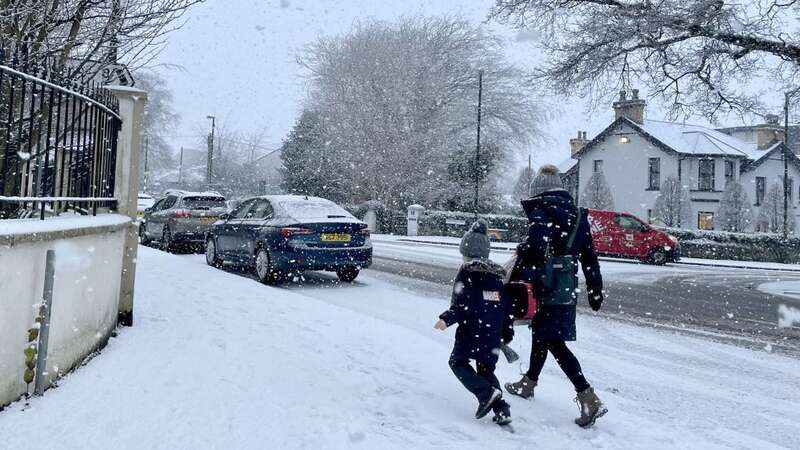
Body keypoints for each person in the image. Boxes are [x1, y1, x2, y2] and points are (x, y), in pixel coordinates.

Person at [504, 164, 607, 428]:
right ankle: (529, 383)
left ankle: (587, 395)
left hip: (544, 285)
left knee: (553, 342)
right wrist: (595, 291)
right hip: (566, 285)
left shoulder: (543, 212)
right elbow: (590, 260)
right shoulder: (578, 215)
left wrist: (524, 250)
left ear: (538, 193)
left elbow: (537, 249)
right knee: (543, 334)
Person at [435, 219, 515, 426]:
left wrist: (446, 318)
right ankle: (502, 409)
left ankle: (486, 394)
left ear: (466, 252)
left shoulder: (467, 272)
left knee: (457, 363)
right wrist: (506, 332)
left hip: (472, 332)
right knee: (486, 370)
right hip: (493, 334)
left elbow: (463, 305)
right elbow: (506, 307)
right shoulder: (497, 276)